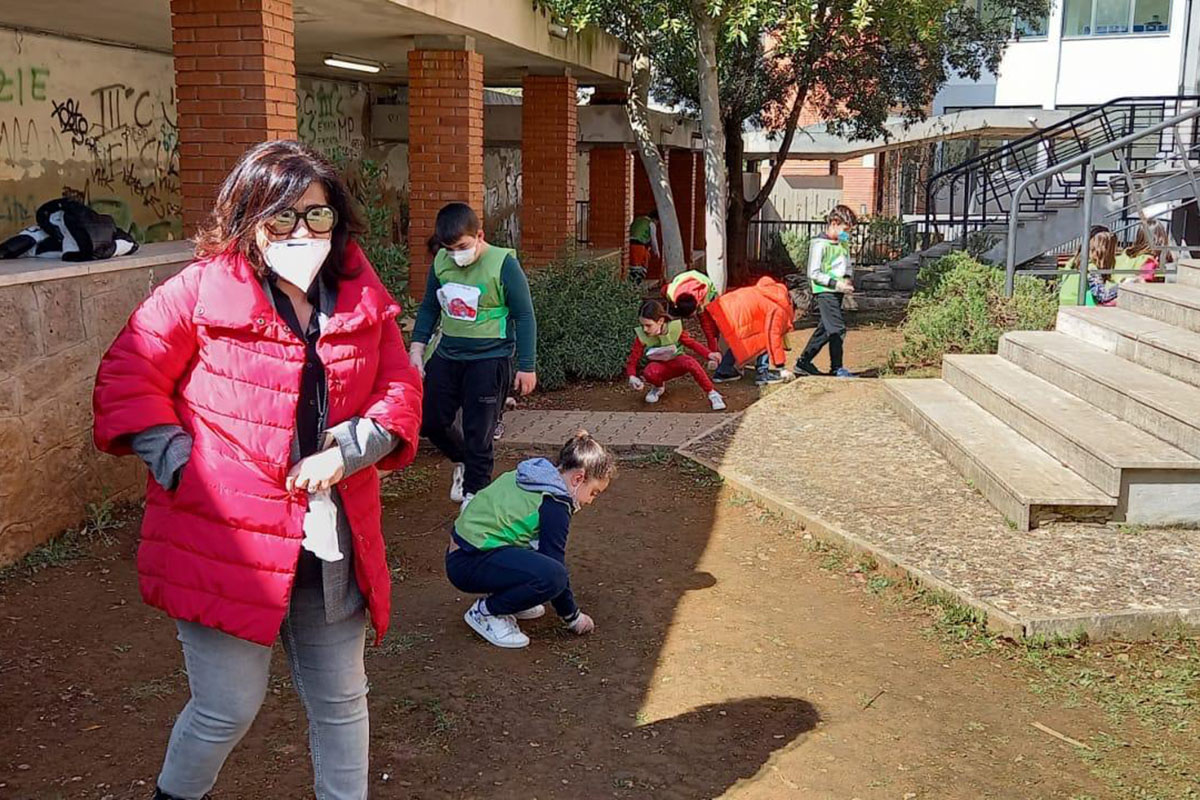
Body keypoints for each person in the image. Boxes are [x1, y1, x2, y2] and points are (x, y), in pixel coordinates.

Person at [92, 140, 424, 800]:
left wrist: (349, 450)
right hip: (226, 543)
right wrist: (183, 467)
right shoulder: (199, 290)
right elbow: (129, 376)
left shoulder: (360, 294)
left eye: (317, 215)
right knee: (226, 708)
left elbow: (399, 387)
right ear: (248, 218)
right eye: (282, 217)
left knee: (343, 702)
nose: (303, 232)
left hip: (329, 543)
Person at [410, 202, 537, 509]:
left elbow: (524, 315)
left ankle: (475, 495)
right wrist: (417, 347)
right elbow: (429, 307)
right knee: (430, 419)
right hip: (449, 354)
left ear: (480, 235)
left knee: (478, 431)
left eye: (462, 247)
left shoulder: (503, 264)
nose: (456, 255)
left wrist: (527, 365)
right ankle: (464, 460)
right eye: (449, 249)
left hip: (490, 358)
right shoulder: (441, 262)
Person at [445, 431, 616, 649]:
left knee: (540, 561)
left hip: (463, 553)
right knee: (553, 576)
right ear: (578, 478)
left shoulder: (532, 476)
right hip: (469, 563)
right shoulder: (555, 503)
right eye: (593, 492)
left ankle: (513, 600)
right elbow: (555, 567)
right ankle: (486, 613)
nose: (591, 501)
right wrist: (572, 616)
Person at [626, 299, 725, 410]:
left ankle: (712, 393)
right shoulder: (641, 336)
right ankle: (658, 387)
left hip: (677, 362)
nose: (645, 329)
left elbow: (691, 343)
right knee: (649, 372)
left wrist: (709, 354)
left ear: (660, 321)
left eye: (648, 325)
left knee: (690, 362)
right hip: (660, 367)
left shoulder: (674, 328)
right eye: (642, 325)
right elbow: (633, 358)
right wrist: (632, 376)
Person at [795, 205, 857, 378]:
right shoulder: (818, 244)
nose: (847, 234)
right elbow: (813, 273)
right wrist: (837, 284)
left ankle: (803, 362)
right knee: (837, 328)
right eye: (845, 229)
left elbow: (846, 261)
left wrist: (847, 277)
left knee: (825, 328)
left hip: (838, 290)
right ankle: (837, 367)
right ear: (834, 223)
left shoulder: (843, 240)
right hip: (824, 290)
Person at [706, 275, 796, 386]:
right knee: (764, 339)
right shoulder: (778, 307)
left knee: (742, 340)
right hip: (734, 313)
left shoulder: (770, 292)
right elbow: (772, 337)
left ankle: (724, 371)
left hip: (724, 308)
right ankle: (762, 373)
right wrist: (780, 366)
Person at [664, 268, 721, 351]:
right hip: (682, 281)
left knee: (711, 324)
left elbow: (707, 328)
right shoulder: (670, 293)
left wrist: (713, 351)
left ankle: (716, 347)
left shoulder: (704, 298)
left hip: (703, 282)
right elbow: (663, 291)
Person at [1060, 230, 1120, 306]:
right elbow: (1103, 296)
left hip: (1065, 302)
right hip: (1080, 304)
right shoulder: (1091, 267)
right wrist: (1122, 286)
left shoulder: (1074, 261)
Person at [629, 208, 660, 282]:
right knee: (639, 270)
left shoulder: (638, 219)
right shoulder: (651, 224)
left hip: (629, 245)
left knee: (632, 268)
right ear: (655, 219)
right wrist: (656, 252)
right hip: (639, 247)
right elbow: (653, 240)